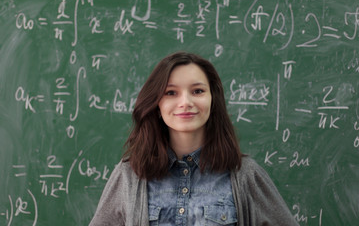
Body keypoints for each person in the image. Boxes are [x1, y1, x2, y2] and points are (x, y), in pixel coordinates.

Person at [89, 52, 299, 226]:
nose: (185, 102)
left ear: (212, 100)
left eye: (197, 91)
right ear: (157, 104)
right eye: (171, 93)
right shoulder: (129, 175)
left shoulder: (244, 174)